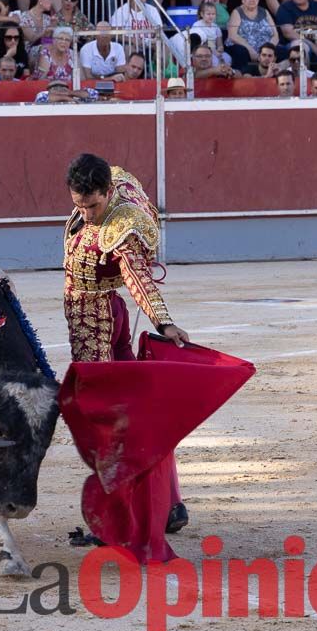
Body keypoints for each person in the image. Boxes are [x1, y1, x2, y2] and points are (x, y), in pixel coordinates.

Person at [62, 153, 190, 531]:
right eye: (78, 206)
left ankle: (117, 516)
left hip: (96, 318)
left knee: (105, 420)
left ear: (107, 192)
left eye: (93, 205)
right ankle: (168, 505)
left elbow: (137, 276)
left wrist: (163, 322)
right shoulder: (113, 181)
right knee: (134, 415)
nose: (86, 214)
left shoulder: (123, 225)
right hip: (111, 310)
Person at [226, 0, 280, 71]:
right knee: (240, 51)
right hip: (245, 47)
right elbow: (232, 36)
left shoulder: (265, 11)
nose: (252, 0)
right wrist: (251, 50)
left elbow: (275, 35)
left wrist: (269, 50)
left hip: (265, 48)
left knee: (283, 51)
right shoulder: (237, 12)